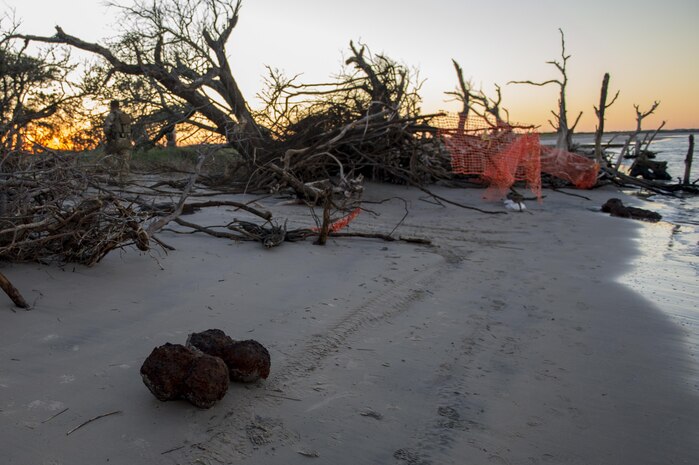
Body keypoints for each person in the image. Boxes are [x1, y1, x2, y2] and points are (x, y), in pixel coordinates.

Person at [103, 100, 133, 183]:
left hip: (115, 141)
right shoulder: (125, 115)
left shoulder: (112, 115)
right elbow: (130, 129)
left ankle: (115, 172)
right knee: (125, 160)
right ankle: (123, 180)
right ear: (118, 106)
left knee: (107, 156)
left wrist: (109, 136)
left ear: (111, 106)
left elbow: (106, 129)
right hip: (126, 141)